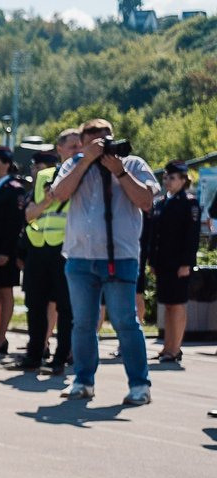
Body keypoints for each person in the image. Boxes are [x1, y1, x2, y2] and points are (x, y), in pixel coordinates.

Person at [42, 118, 159, 405]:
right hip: (80, 256)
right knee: (83, 323)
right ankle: (83, 381)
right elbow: (58, 194)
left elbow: (146, 201)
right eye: (94, 141)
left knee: (125, 321)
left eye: (105, 139)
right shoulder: (74, 165)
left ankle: (139, 385)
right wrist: (85, 161)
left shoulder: (132, 164)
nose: (101, 146)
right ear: (83, 144)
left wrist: (119, 172)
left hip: (120, 256)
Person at [17, 130, 78, 374]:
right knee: (35, 304)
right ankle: (34, 354)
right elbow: (29, 214)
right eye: (72, 146)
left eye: (80, 146)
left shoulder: (84, 176)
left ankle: (61, 358)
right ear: (59, 149)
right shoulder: (44, 175)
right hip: (39, 247)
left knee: (65, 307)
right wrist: (48, 200)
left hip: (65, 248)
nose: (77, 150)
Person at [147, 161, 201, 366]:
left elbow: (191, 236)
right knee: (167, 305)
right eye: (165, 177)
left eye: (172, 178)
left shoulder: (189, 203)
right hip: (163, 262)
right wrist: (152, 261)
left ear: (183, 180)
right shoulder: (161, 203)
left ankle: (175, 348)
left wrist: (187, 263)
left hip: (179, 263)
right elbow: (155, 236)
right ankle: (167, 347)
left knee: (177, 305)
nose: (167, 181)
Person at [0, 145, 28, 356]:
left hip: (5, 249)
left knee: (4, 290)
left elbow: (14, 224)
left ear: (7, 164)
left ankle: (1, 337)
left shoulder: (14, 188)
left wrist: (7, 252)